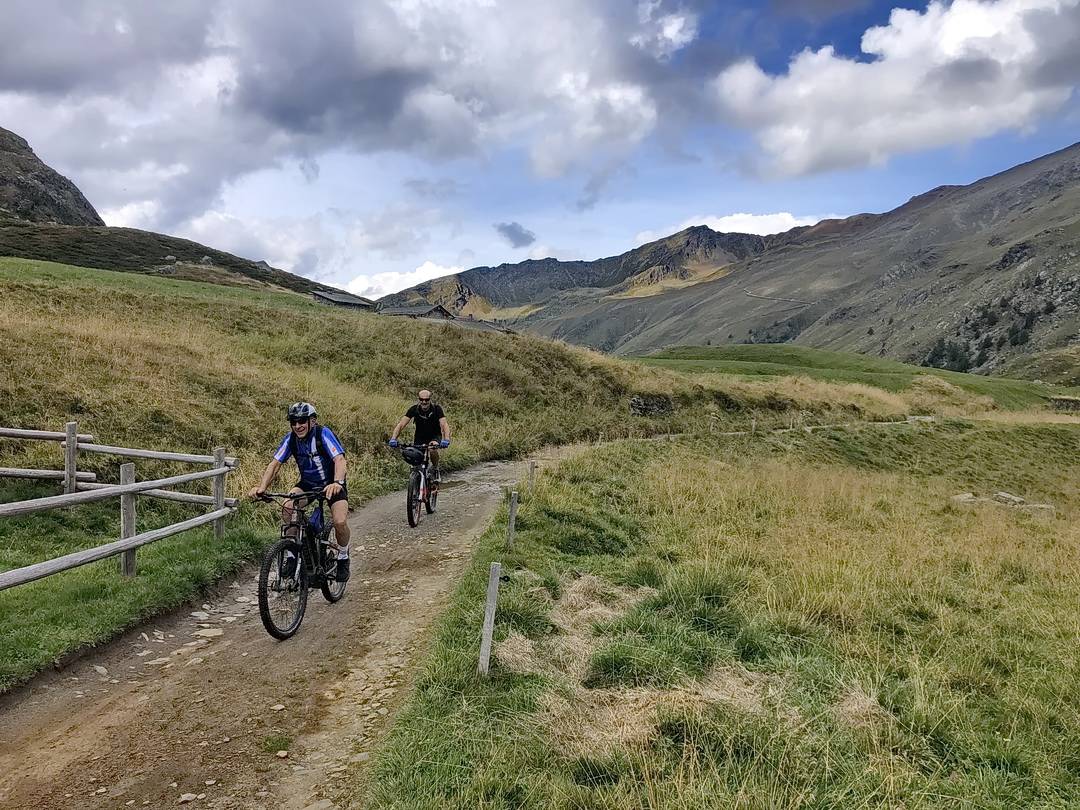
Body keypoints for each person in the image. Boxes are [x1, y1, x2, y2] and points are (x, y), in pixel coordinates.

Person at [249, 402, 351, 582]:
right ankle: (291, 554)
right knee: (289, 507)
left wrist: (338, 482)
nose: (298, 426)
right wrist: (262, 488)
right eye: (293, 422)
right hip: (308, 484)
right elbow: (275, 464)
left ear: (312, 421)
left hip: (331, 483)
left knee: (340, 521)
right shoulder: (291, 439)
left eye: (302, 421)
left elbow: (340, 460)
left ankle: (343, 557)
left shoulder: (323, 434)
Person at [389, 389, 451, 481]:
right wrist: (393, 438)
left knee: (432, 448)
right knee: (416, 460)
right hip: (419, 437)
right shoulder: (414, 409)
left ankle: (435, 468)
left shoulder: (437, 409)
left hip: (434, 436)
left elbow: (444, 424)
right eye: (421, 399)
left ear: (430, 399)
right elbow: (401, 424)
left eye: (426, 400)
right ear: (419, 400)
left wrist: (446, 439)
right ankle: (416, 481)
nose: (424, 402)